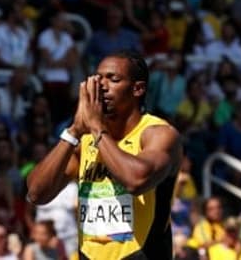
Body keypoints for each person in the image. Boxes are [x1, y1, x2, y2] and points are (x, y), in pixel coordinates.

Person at [26, 50, 182, 259]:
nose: (102, 86)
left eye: (113, 79)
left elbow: (136, 181)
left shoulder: (159, 134)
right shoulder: (84, 140)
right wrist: (73, 131)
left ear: (137, 89)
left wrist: (98, 129)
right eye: (98, 78)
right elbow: (36, 194)